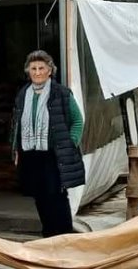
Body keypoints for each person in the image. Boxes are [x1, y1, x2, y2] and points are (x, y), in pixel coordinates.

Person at [10, 50, 85, 237]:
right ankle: (48, 232)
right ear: (28, 71)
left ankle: (64, 233)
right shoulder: (23, 94)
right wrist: (16, 149)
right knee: (39, 195)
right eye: (33, 68)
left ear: (49, 70)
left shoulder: (61, 93)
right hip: (31, 153)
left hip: (54, 153)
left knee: (56, 194)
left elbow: (77, 121)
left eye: (41, 68)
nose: (37, 72)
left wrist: (71, 142)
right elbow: (16, 124)